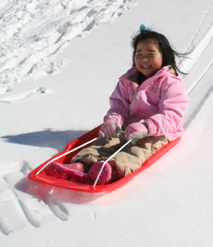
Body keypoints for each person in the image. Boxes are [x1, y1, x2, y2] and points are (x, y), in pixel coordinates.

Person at [45, 25, 188, 185]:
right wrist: (114, 120)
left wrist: (147, 127)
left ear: (164, 57)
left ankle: (110, 170)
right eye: (139, 54)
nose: (144, 59)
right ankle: (80, 166)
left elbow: (172, 115)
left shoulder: (169, 83)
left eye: (150, 54)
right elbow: (118, 105)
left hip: (158, 132)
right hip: (128, 127)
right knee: (105, 141)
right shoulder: (128, 80)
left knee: (137, 151)